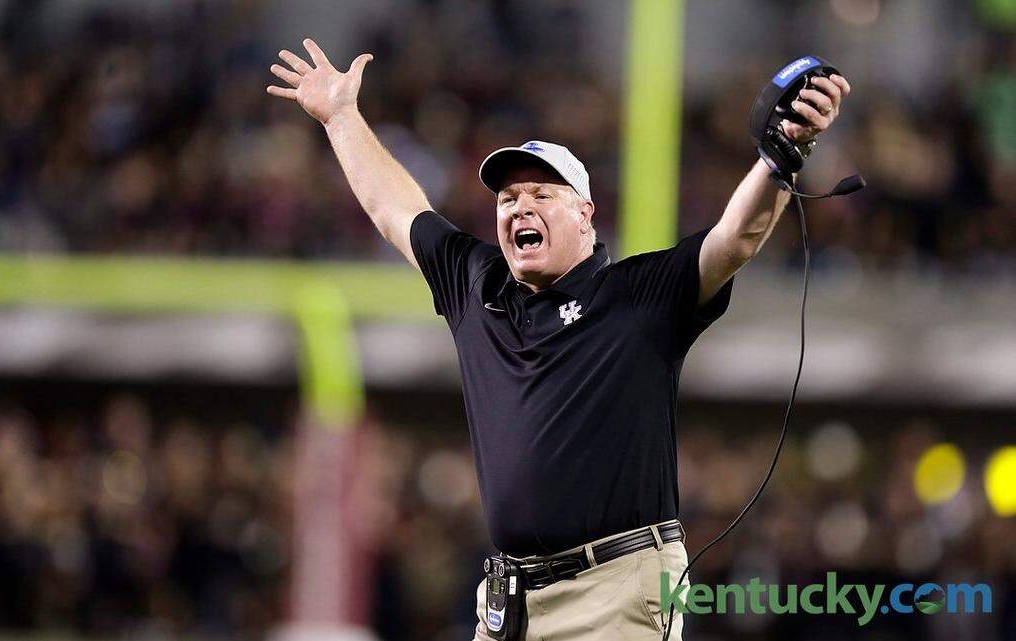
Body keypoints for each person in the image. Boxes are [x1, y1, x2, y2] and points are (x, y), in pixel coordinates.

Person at [267, 38, 850, 641]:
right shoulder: (477, 285)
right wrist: (341, 117)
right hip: (509, 599)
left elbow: (733, 241)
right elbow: (395, 208)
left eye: (542, 195)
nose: (520, 207)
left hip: (616, 591)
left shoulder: (635, 295)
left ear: (585, 214)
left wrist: (782, 156)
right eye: (508, 198)